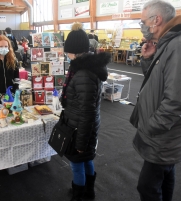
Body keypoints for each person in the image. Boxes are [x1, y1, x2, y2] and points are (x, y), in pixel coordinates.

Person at [130, 1, 181, 200]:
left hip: (165, 134)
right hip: (167, 132)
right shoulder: (169, 43)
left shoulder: (178, 45)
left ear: (156, 20)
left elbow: (177, 100)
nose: (141, 26)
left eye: (143, 22)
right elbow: (158, 82)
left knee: (147, 187)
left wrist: (152, 127)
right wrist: (150, 59)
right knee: (165, 176)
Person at [62, 22, 111, 201]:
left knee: (77, 163)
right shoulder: (85, 68)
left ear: (74, 51)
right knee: (87, 159)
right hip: (83, 125)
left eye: (68, 51)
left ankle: (80, 195)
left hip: (81, 128)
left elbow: (87, 112)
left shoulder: (83, 73)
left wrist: (81, 142)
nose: (66, 55)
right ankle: (88, 192)